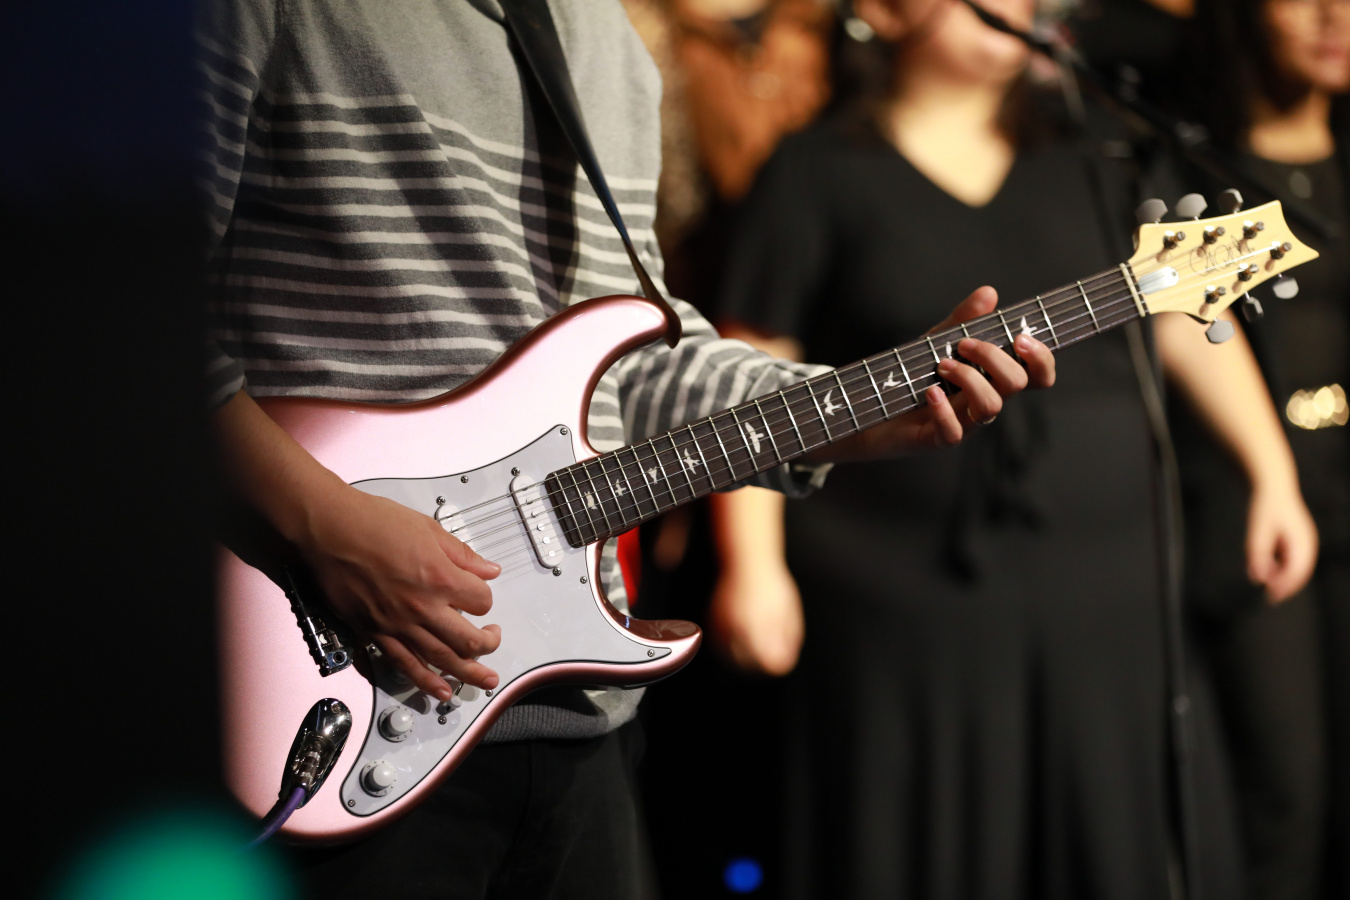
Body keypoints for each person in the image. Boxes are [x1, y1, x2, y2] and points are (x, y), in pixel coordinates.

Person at [198, 0, 1054, 896]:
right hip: (327, 678)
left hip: (572, 716)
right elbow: (129, 300)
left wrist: (861, 414)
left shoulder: (610, 44)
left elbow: (635, 364)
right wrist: (326, 523)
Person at [710, 0, 1316, 896]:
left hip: (1106, 591)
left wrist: (1272, 475)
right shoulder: (814, 169)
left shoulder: (1094, 157)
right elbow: (752, 379)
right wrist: (753, 567)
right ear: (883, 12)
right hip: (902, 603)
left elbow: (1187, 321)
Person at [1172, 3, 1350, 898]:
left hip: (1345, 487)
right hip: (1247, 502)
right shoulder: (1196, 167)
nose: (1333, 16)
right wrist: (1268, 472)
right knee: (1286, 793)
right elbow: (1180, 325)